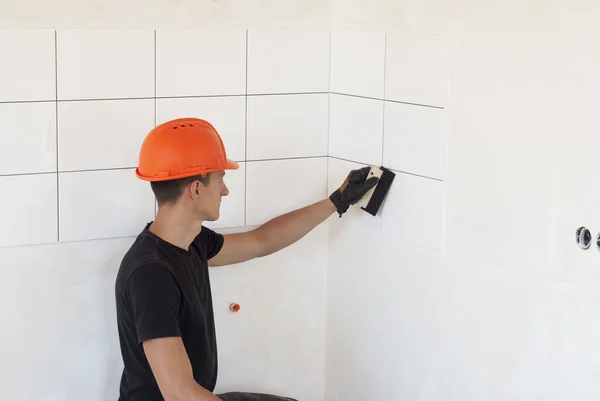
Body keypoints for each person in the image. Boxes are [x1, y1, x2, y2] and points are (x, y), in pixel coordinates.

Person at [114, 118, 379, 401]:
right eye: (220, 180)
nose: (225, 190)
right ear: (196, 189)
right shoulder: (151, 276)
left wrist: (337, 201)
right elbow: (180, 394)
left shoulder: (191, 242)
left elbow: (260, 241)